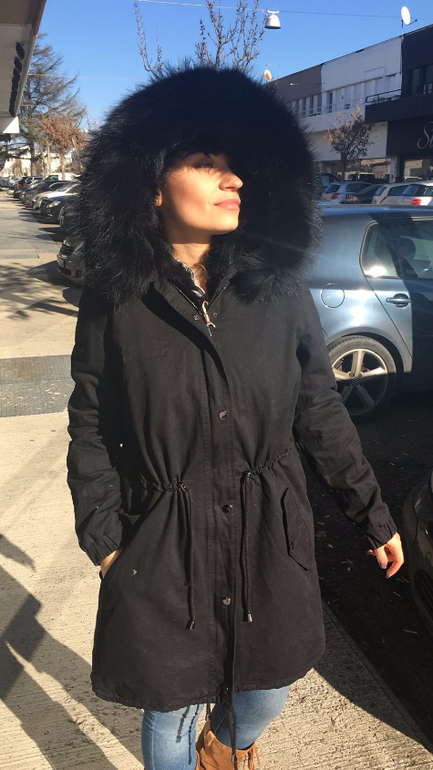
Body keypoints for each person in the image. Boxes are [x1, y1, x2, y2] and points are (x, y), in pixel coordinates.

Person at [67, 64, 404, 770]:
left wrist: (370, 513)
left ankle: (226, 745)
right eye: (205, 162)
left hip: (267, 527)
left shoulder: (277, 289)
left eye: (236, 163)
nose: (234, 179)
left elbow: (318, 408)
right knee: (170, 702)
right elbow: (91, 418)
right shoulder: (115, 299)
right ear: (151, 185)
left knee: (266, 689)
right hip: (163, 532)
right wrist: (105, 540)